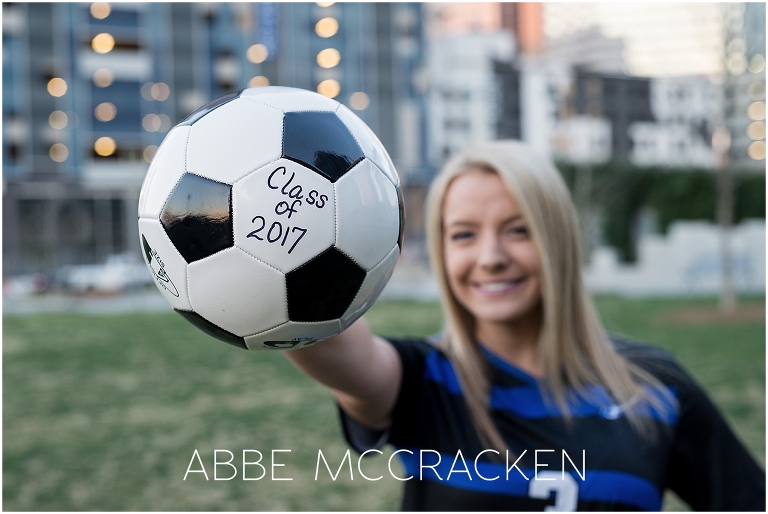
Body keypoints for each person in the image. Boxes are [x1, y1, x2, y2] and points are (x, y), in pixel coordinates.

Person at [285, 140, 766, 511]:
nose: (490, 258)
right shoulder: (424, 381)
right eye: (464, 235)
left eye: (519, 230)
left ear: (558, 239)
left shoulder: (656, 388)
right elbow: (319, 336)